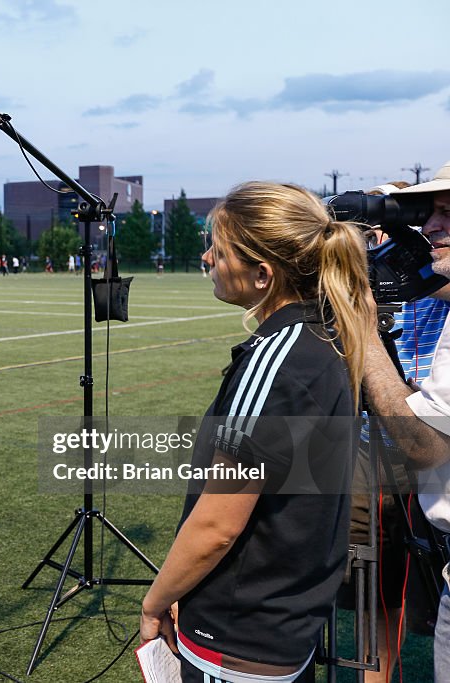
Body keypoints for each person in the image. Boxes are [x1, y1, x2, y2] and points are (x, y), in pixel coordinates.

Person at [140, 182, 373, 682]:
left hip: (242, 632)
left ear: (263, 275)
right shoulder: (323, 335)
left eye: (219, 250)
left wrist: (158, 599)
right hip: (284, 624)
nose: (207, 257)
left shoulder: (279, 359)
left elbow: (217, 525)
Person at [358, 161, 450, 683]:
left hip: (418, 449)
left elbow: (425, 444)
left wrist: (364, 325)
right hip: (380, 449)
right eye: (427, 213)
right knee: (378, 591)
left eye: (443, 213)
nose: (431, 227)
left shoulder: (422, 272)